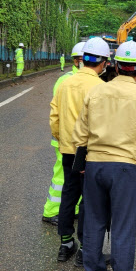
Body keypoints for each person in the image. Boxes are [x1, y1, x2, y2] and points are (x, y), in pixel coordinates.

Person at [73, 41, 136, 271]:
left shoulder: (96, 92)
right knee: (123, 225)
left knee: (93, 222)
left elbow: (80, 133)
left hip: (94, 165)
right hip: (125, 167)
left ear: (114, 65)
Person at [50, 37, 110, 265]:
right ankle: (85, 248)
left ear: (82, 59)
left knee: (68, 194)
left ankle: (65, 243)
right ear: (103, 62)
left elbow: (54, 118)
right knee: (89, 200)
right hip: (91, 153)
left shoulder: (64, 83)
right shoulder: (101, 88)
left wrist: (62, 138)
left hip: (67, 149)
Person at [42, 42, 85, 225]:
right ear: (76, 61)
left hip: (70, 138)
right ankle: (51, 211)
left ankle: (73, 209)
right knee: (62, 177)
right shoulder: (67, 80)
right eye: (83, 59)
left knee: (73, 176)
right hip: (66, 139)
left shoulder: (76, 79)